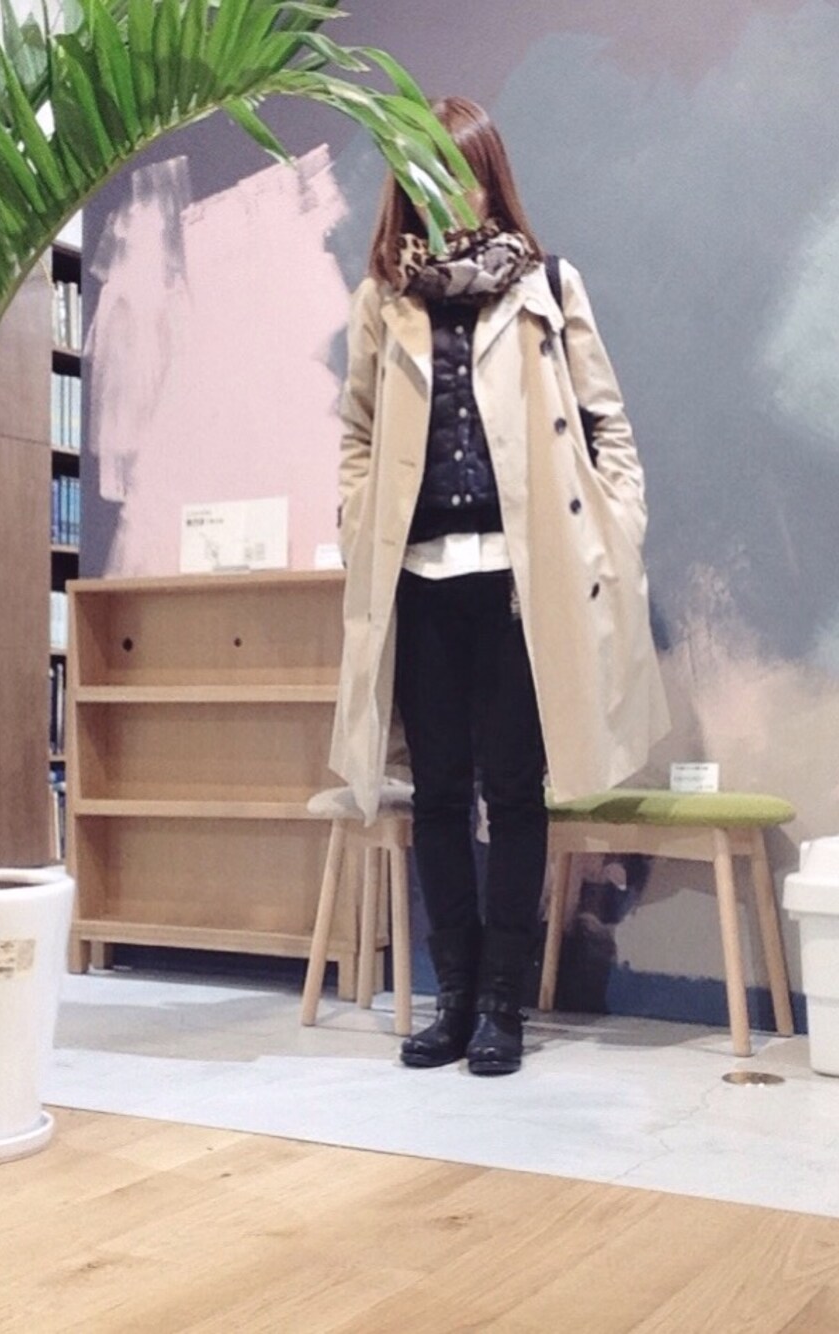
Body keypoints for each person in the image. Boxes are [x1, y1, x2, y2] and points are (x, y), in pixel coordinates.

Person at [329, 96, 669, 1076]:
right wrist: (356, 520)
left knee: (516, 792)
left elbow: (607, 425)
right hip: (420, 578)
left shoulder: (547, 285)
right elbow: (357, 434)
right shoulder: (383, 297)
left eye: (464, 172)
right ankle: (455, 996)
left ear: (490, 179)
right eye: (428, 174)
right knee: (437, 793)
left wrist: (617, 530)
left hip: (524, 579)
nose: (450, 193)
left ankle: (503, 1006)